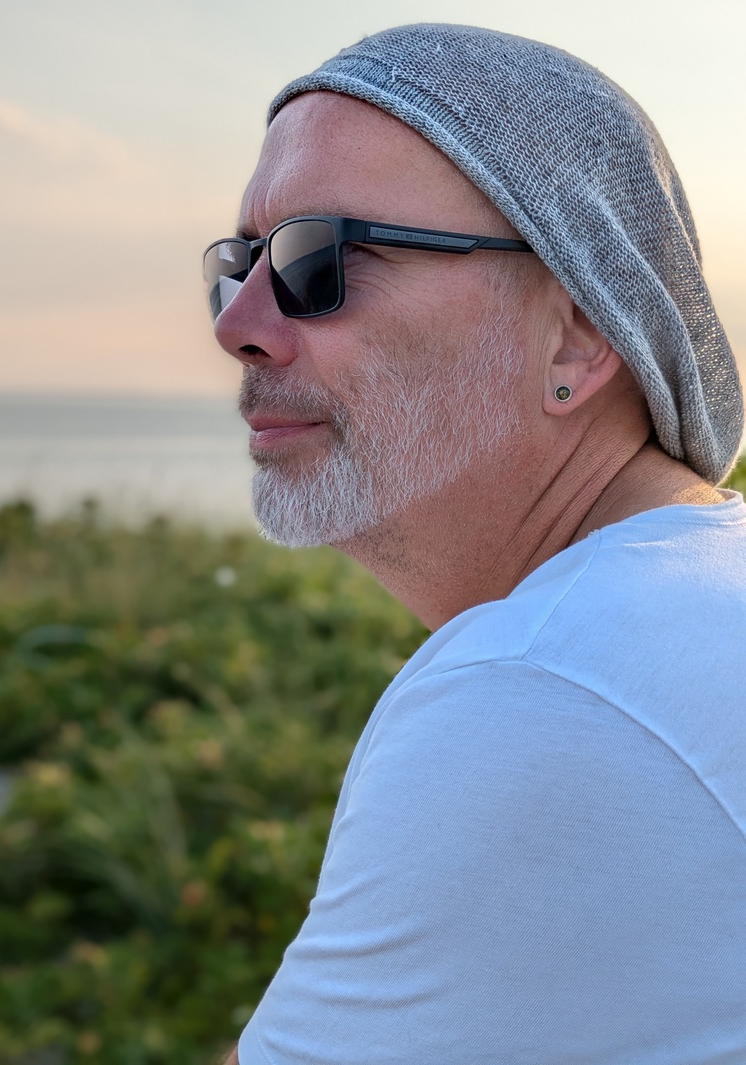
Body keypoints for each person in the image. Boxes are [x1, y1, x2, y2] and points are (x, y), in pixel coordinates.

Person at [206, 23, 746, 1065]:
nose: (238, 325)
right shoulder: (688, 604)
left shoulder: (548, 688)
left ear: (576, 334)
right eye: (238, 264)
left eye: (320, 259)